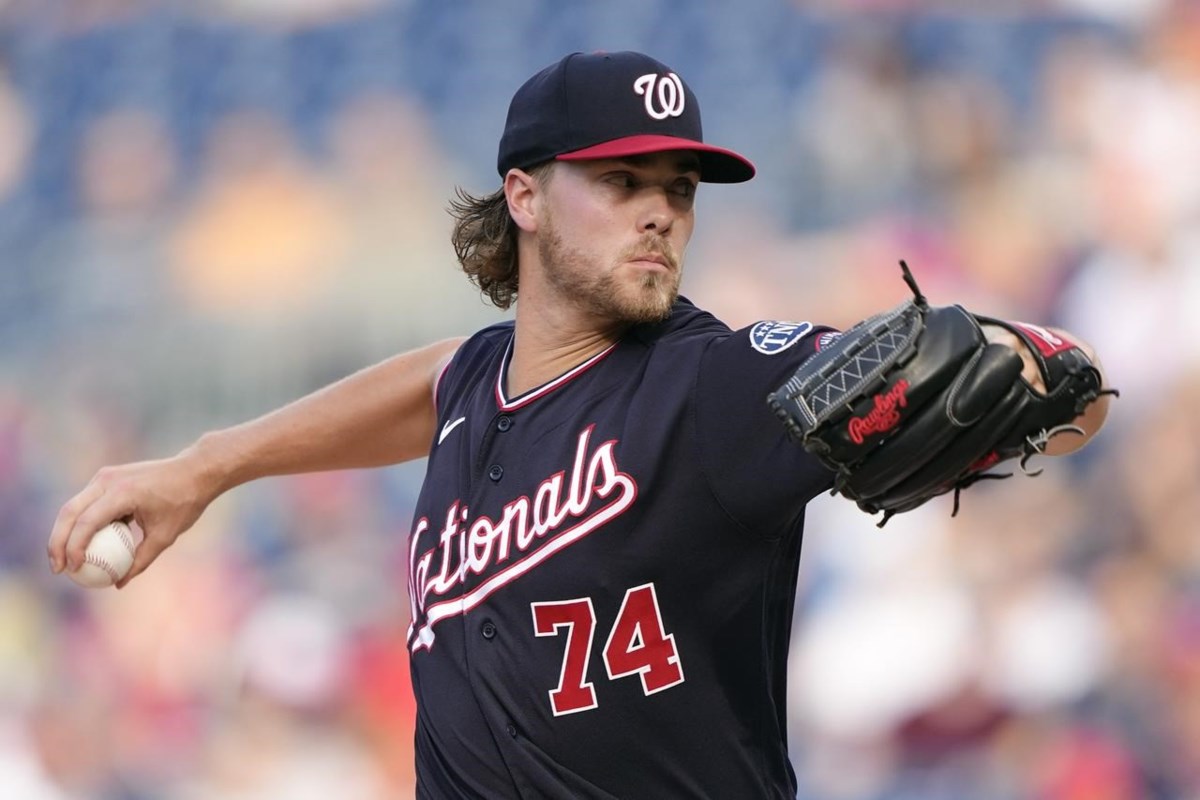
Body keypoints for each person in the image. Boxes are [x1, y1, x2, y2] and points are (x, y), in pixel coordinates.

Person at [47, 51, 1110, 799]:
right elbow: (434, 382)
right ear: (525, 194)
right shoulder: (476, 386)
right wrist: (209, 464)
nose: (661, 210)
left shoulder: (719, 387)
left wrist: (1030, 363)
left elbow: (1058, 383)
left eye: (679, 188)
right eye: (621, 180)